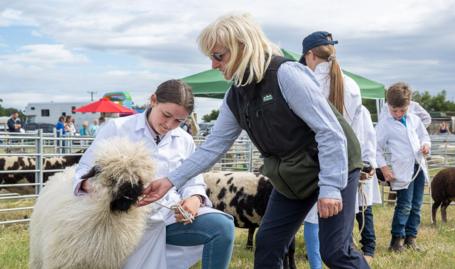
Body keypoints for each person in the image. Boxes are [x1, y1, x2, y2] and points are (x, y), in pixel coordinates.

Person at [139, 14, 368, 269]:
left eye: (218, 56)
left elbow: (330, 132)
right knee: (268, 244)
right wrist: (170, 181)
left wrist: (331, 188)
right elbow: (214, 145)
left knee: (335, 250)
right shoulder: (235, 96)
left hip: (335, 165)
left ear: (242, 48)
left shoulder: (287, 74)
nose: (214, 65)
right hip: (293, 176)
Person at [72, 79, 234, 269]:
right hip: (124, 219)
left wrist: (194, 199)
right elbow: (83, 172)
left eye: (179, 121)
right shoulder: (117, 128)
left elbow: (193, 181)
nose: (169, 125)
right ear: (153, 100)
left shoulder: (184, 140)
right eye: (166, 115)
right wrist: (100, 188)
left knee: (222, 227)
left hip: (168, 216)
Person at [299, 31, 380, 266]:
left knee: (331, 246)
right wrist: (365, 162)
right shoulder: (352, 85)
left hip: (314, 167)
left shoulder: (308, 82)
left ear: (310, 55)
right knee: (339, 242)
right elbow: (359, 132)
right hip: (346, 169)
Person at [376, 82, 431, 252]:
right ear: (388, 106)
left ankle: (411, 238)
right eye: (394, 110)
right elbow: (375, 149)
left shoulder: (414, 120)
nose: (398, 114)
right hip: (402, 170)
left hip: (418, 167)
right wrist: (384, 168)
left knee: (417, 205)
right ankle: (396, 241)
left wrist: (426, 146)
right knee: (404, 205)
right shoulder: (385, 124)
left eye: (402, 110)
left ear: (409, 105)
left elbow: (425, 136)